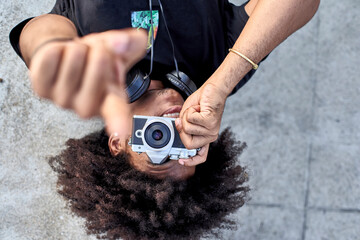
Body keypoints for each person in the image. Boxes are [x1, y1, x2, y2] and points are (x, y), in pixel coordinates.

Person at [9, 0, 320, 238]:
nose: (172, 132)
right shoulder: (217, 72)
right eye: (183, 150)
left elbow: (36, 32)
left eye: (159, 149)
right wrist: (224, 82)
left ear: (119, 143)